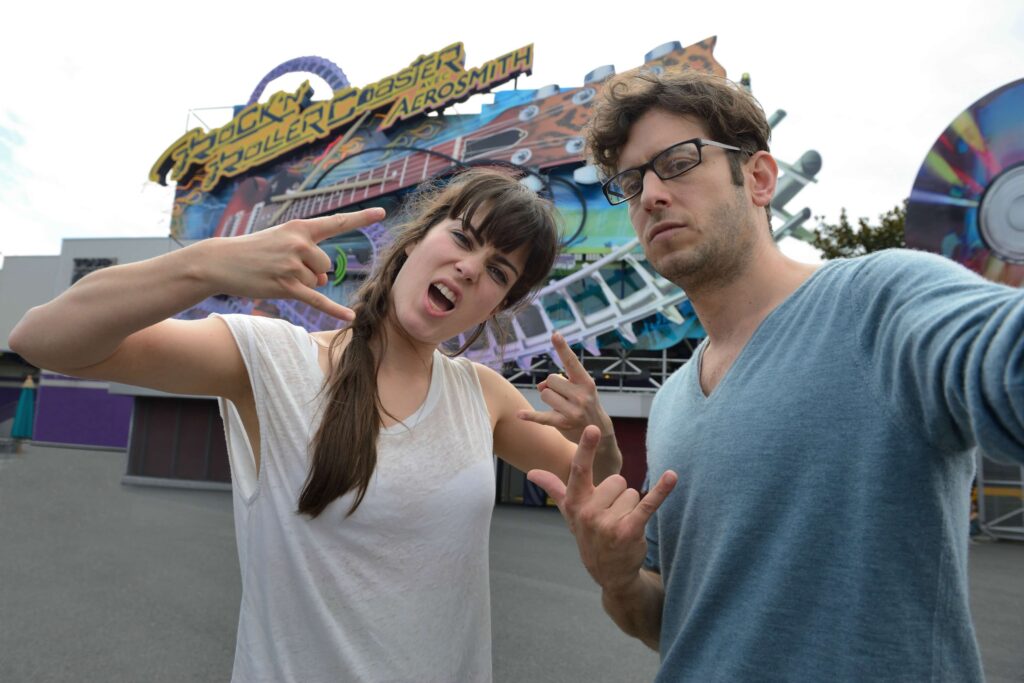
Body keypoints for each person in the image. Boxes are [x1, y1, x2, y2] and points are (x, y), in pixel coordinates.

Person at [10, 169, 622, 682]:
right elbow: (44, 340)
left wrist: (602, 434)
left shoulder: (481, 394)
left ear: (499, 304)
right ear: (415, 240)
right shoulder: (274, 360)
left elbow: (598, 482)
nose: (469, 269)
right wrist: (207, 265)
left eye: (498, 272)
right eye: (462, 239)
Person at [527, 68, 1024, 682]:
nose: (651, 194)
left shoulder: (884, 300)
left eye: (679, 161)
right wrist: (618, 579)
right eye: (632, 182)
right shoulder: (675, 400)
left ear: (759, 178)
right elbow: (671, 621)